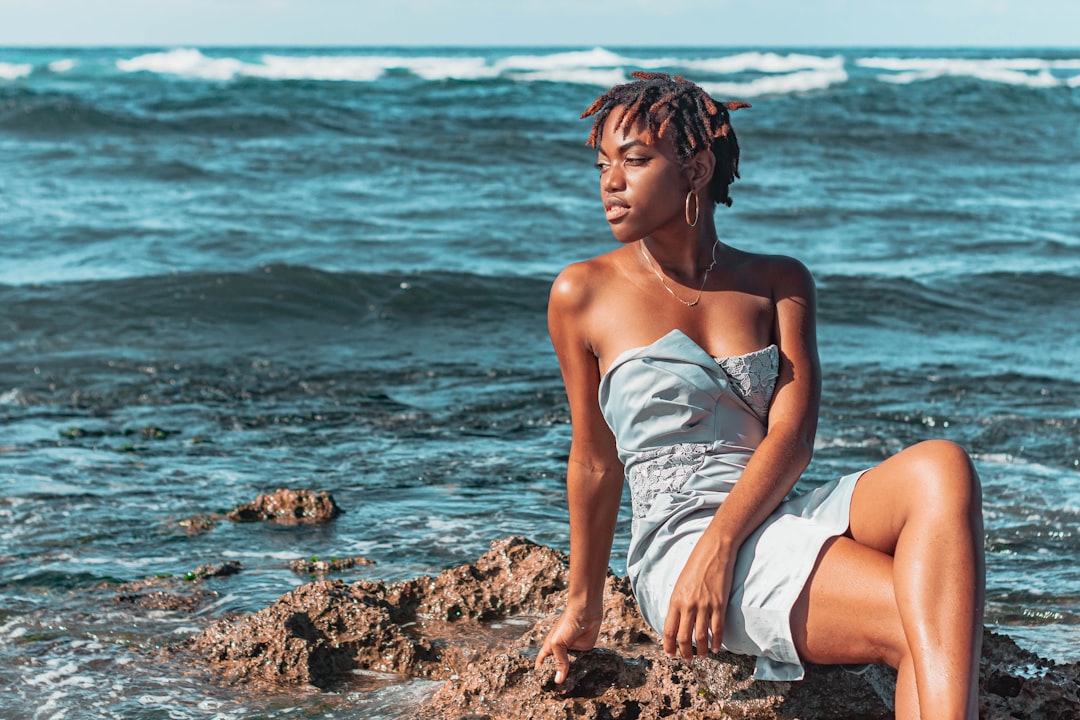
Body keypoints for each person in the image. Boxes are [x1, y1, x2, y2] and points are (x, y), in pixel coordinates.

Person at [535, 72, 985, 719]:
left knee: (942, 464)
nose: (610, 181)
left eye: (635, 161)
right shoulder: (582, 294)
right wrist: (584, 609)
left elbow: (793, 439)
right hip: (679, 547)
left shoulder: (778, 281)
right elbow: (594, 461)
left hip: (768, 513)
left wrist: (724, 547)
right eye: (604, 163)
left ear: (696, 168)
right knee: (922, 614)